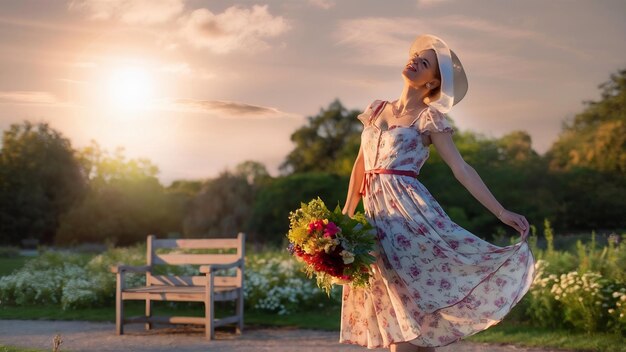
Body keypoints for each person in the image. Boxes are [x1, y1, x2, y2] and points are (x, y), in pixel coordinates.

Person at [339, 34, 535, 352]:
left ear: (431, 84)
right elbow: (360, 167)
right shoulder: (376, 110)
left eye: (425, 62)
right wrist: (346, 218)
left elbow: (462, 169)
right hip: (375, 222)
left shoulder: (429, 118)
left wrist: (502, 212)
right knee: (396, 316)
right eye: (415, 56)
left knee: (409, 321)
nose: (414, 60)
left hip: (409, 221)